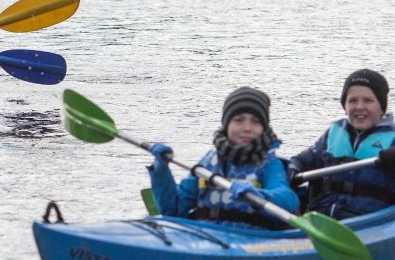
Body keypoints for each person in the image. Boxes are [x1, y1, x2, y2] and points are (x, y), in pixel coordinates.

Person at [147, 87, 299, 229]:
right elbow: (174, 210)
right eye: (238, 120)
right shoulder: (208, 162)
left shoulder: (269, 163)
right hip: (206, 236)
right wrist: (161, 173)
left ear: (263, 128)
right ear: (226, 125)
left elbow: (288, 199)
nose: (247, 128)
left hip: (251, 239)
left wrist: (259, 196)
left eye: (255, 122)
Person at [288, 69, 395, 219]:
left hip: (368, 222)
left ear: (381, 107)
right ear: (345, 106)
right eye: (352, 100)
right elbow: (304, 159)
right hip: (320, 218)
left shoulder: (392, 139)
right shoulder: (334, 132)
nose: (359, 106)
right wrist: (292, 169)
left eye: (368, 100)